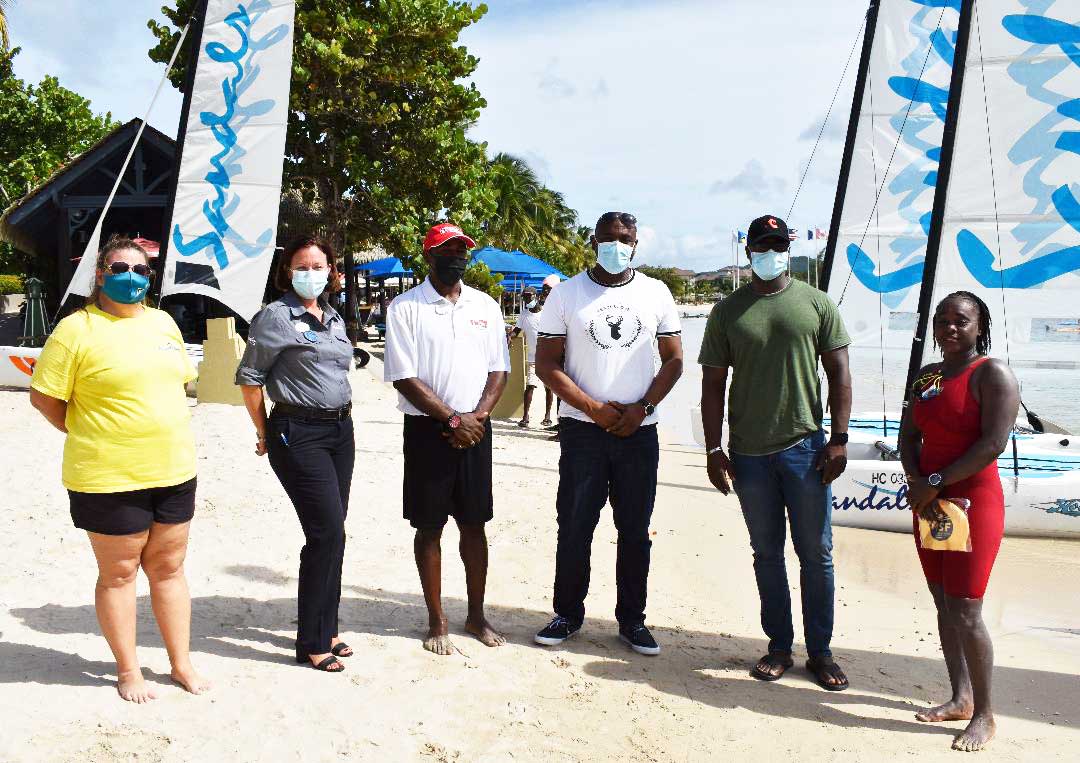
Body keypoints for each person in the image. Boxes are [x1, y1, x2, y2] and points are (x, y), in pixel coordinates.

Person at [29, 235, 208, 702]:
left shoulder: (164, 323)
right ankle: (129, 670)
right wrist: (90, 433)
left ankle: (180, 664)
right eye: (119, 267)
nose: (131, 275)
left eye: (141, 269)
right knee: (120, 573)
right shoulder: (76, 330)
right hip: (107, 476)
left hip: (173, 470)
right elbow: (45, 398)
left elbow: (178, 385)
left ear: (150, 277)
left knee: (169, 569)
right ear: (100, 274)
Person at [699, 214, 852, 690]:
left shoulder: (817, 304)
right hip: (748, 455)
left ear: (788, 248)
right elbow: (711, 384)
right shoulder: (727, 311)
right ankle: (780, 647)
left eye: (777, 245)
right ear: (749, 253)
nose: (770, 253)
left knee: (816, 554)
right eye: (761, 246)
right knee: (766, 554)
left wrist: (839, 439)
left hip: (806, 449)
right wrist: (712, 448)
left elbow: (841, 376)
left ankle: (821, 653)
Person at [533, 211, 683, 655]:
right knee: (575, 525)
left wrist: (644, 407)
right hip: (583, 431)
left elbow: (674, 360)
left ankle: (632, 620)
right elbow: (546, 364)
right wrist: (592, 407)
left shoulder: (656, 292)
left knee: (635, 529)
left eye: (625, 238)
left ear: (635, 243)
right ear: (593, 240)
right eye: (608, 238)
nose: (616, 245)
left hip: (639, 432)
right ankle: (567, 614)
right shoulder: (566, 294)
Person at [383, 222, 510, 655]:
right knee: (429, 526)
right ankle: (437, 619)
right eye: (447, 249)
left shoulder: (485, 306)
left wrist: (478, 417)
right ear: (429, 255)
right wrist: (453, 419)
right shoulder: (405, 307)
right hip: (427, 430)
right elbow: (403, 375)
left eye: (462, 250)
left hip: (477, 428)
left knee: (475, 524)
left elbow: (500, 369)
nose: (456, 256)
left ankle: (476, 614)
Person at [899, 291, 1017, 752]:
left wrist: (935, 479)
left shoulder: (992, 374)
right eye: (942, 319)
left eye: (960, 320)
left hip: (973, 500)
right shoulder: (926, 376)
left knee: (967, 609)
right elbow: (909, 432)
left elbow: (992, 444)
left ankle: (986, 715)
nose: (950, 327)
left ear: (978, 326)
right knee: (942, 602)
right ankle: (960, 697)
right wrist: (917, 479)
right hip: (931, 502)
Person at [236, 234, 355, 673]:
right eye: (301, 266)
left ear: (331, 270)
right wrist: (264, 431)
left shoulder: (334, 318)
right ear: (288, 271)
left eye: (318, 266)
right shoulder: (274, 317)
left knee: (336, 530)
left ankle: (329, 627)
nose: (310, 273)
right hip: (297, 432)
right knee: (326, 533)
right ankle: (311, 641)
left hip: (341, 431)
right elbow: (250, 380)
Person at [510, 275, 559, 428]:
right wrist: (508, 337)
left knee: (548, 388)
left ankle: (547, 416)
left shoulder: (546, 312)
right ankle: (525, 417)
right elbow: (516, 331)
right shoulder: (524, 314)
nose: (526, 300)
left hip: (546, 358)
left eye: (528, 297)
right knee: (530, 386)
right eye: (524, 297)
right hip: (532, 358)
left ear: (535, 296)